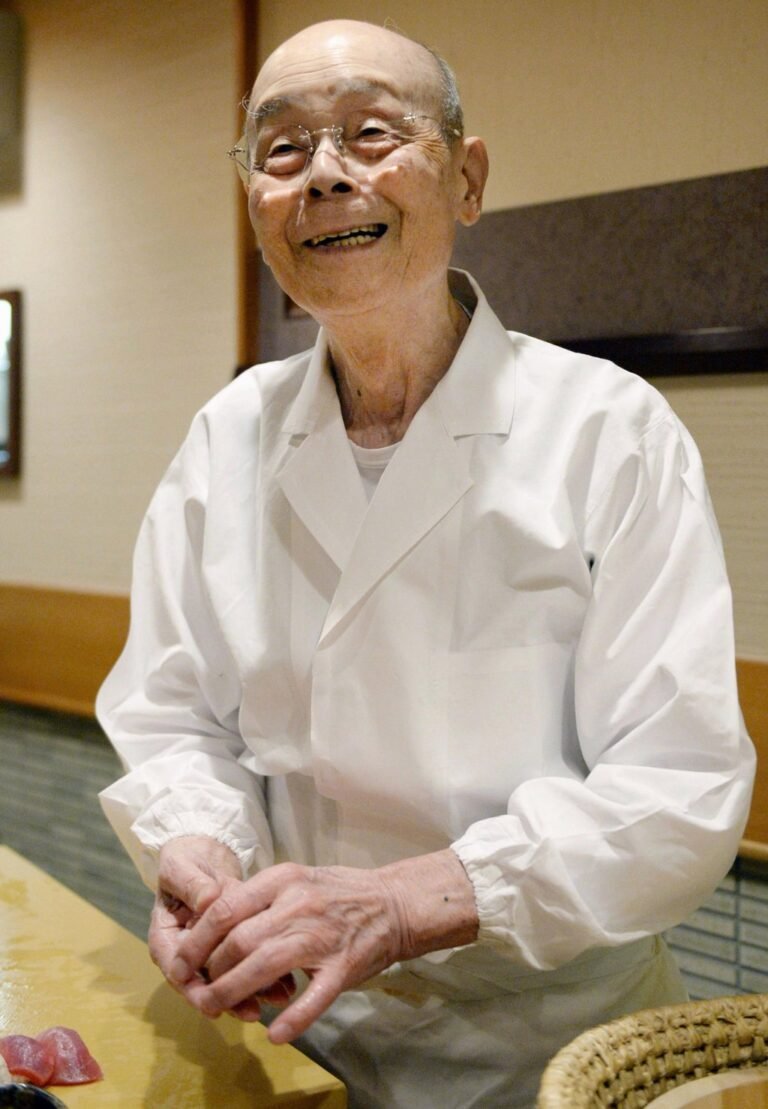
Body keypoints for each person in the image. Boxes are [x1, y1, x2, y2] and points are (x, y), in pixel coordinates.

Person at [97, 19, 755, 1108]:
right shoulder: (229, 434)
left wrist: (411, 901)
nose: (324, 176)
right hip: (289, 1032)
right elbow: (176, 715)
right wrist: (200, 850)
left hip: (546, 1049)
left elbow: (680, 787)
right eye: (281, 149)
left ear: (468, 177)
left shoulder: (607, 429)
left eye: (369, 132)